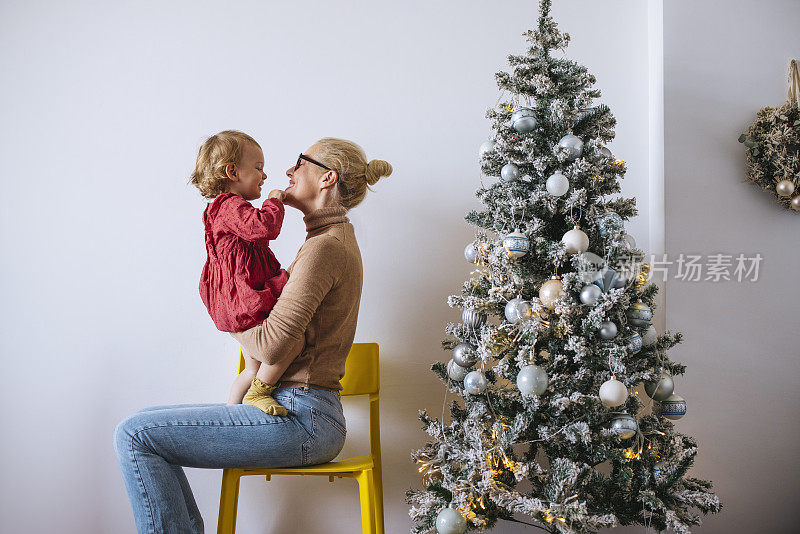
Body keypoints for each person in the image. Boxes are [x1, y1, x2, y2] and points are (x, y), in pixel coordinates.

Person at [113, 138, 392, 533]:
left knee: (134, 434)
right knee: (141, 425)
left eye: (300, 163)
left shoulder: (324, 248)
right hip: (299, 410)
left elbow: (273, 344)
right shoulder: (323, 242)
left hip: (302, 416)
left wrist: (228, 317)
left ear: (327, 177)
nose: (288, 172)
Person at [191, 130, 291, 416]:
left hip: (234, 298)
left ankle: (230, 416)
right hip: (244, 298)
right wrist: (274, 201)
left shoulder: (223, 208)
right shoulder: (230, 206)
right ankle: (260, 394)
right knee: (287, 343)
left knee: (252, 368)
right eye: (258, 168)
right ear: (232, 171)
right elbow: (265, 227)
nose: (265, 175)